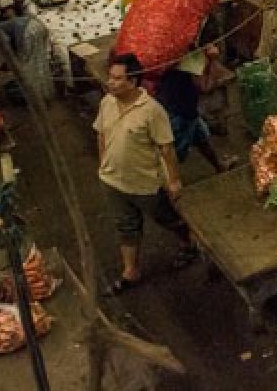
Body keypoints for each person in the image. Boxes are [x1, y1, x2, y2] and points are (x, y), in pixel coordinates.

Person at [96, 52, 197, 295]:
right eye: (110, 77)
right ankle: (130, 271)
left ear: (133, 82)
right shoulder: (107, 103)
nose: (110, 82)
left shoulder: (152, 111)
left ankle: (190, 242)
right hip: (112, 181)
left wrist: (173, 180)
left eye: (117, 79)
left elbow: (166, 147)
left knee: (167, 218)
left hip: (145, 183)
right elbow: (100, 133)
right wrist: (103, 163)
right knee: (126, 225)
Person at [155, 44, 236, 173]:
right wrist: (213, 59)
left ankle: (219, 166)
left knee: (202, 138)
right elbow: (205, 86)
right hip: (178, 113)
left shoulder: (171, 52)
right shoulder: (189, 56)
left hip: (175, 106)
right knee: (175, 153)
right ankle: (166, 184)